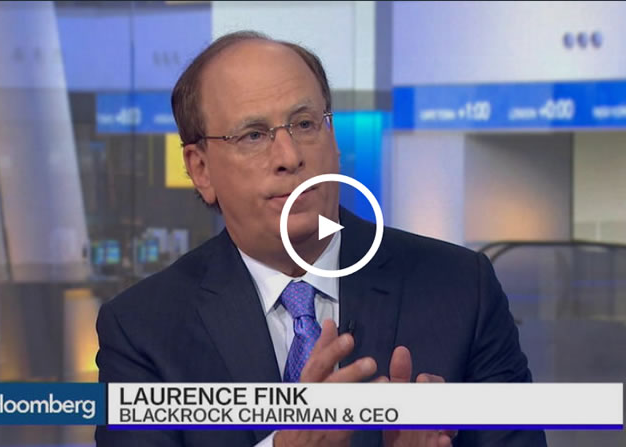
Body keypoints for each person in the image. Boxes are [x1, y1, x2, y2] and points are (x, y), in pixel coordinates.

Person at [95, 30, 547, 447]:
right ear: (201, 169)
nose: (289, 156)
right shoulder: (143, 329)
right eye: (254, 135)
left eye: (305, 124)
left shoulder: (460, 288)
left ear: (333, 138)